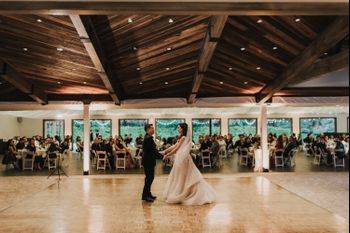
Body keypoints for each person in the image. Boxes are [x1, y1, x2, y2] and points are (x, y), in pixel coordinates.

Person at [162, 123, 216, 205]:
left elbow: (176, 149)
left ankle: (183, 193)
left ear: (182, 129)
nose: (178, 128)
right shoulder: (181, 137)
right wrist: (165, 151)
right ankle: (182, 191)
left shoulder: (183, 137)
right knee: (181, 176)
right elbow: (174, 146)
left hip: (183, 159)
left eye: (179, 127)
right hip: (180, 158)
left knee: (183, 176)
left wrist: (167, 155)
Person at [141, 124, 163, 202]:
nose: (153, 130)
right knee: (149, 178)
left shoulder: (148, 137)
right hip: (148, 161)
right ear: (148, 129)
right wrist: (162, 156)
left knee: (149, 178)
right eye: (152, 129)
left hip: (148, 160)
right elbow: (153, 151)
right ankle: (145, 196)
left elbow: (153, 150)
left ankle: (148, 194)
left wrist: (161, 154)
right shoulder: (148, 138)